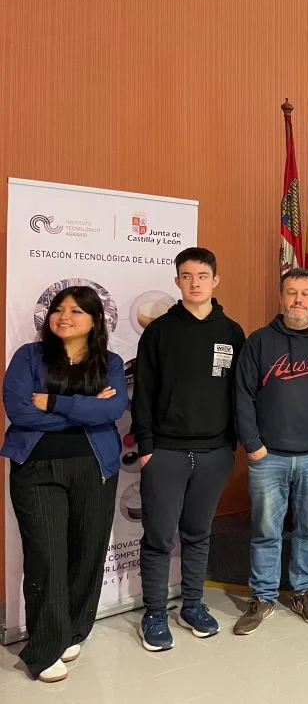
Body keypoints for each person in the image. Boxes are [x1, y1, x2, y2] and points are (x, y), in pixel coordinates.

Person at [2, 286, 127, 683]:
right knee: (46, 555)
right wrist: (86, 410)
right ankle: (41, 649)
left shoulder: (109, 361)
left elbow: (112, 409)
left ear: (94, 320)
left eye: (76, 310)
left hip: (95, 468)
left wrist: (55, 402)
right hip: (36, 470)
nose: (64, 316)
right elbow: (19, 409)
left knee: (87, 552)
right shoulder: (29, 356)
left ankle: (73, 630)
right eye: (59, 309)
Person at [132, 247, 246, 650]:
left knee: (198, 533)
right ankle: (154, 613)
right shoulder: (160, 331)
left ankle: (192, 605)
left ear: (215, 280)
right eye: (186, 276)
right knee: (159, 537)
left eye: (201, 275)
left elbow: (239, 394)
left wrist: (230, 444)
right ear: (177, 281)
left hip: (214, 453)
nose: (194, 282)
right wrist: (147, 448)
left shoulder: (232, 332)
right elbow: (142, 393)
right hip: (165, 452)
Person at [232, 268, 308, 634]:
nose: (298, 300)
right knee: (266, 528)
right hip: (268, 456)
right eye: (291, 293)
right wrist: (254, 445)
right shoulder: (259, 342)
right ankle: (262, 596)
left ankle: (303, 591)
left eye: (305, 293)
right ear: (281, 297)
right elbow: (242, 396)